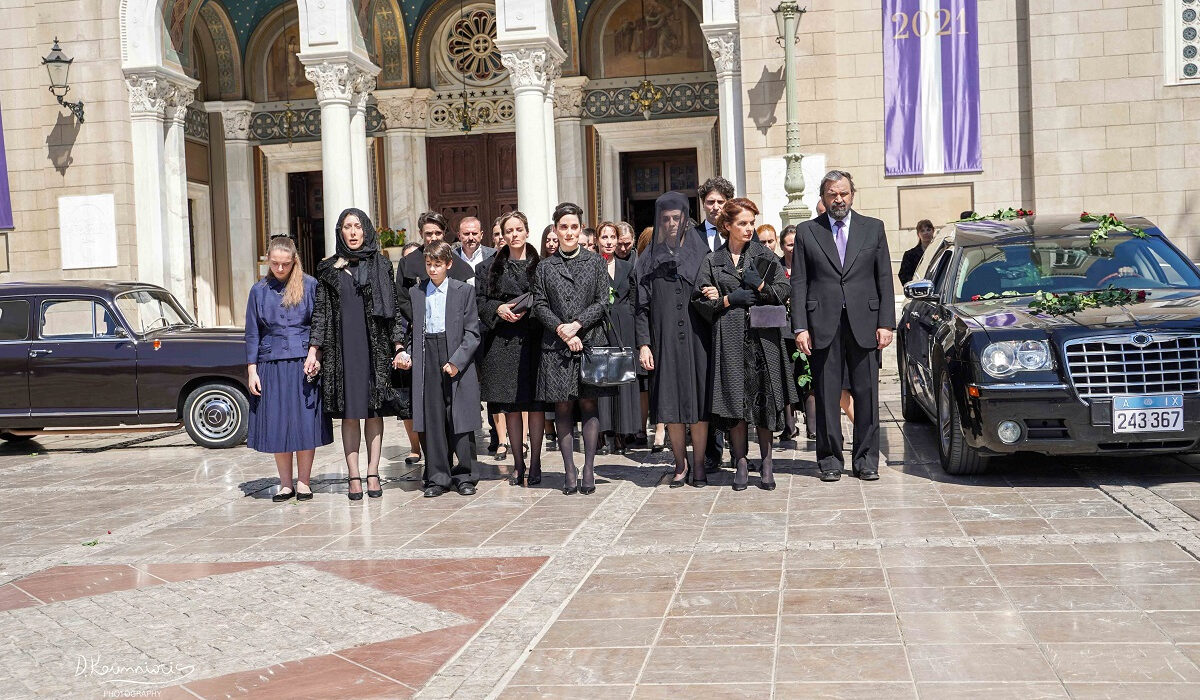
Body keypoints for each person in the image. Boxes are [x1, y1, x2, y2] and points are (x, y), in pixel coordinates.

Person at [791, 170, 896, 482]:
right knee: (825, 395)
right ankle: (830, 460)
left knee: (866, 395)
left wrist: (886, 323)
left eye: (843, 193)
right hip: (822, 323)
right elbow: (799, 282)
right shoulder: (808, 231)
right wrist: (800, 327)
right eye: (832, 194)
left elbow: (884, 280)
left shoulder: (873, 228)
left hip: (865, 323)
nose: (838, 199)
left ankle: (865, 460)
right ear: (823, 197)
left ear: (853, 194)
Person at [695, 198, 797, 491]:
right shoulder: (713, 260)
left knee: (764, 404)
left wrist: (761, 287)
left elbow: (783, 291)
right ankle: (740, 460)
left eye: (752, 222)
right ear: (727, 226)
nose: (749, 228)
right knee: (735, 405)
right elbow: (700, 299)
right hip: (729, 339)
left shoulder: (763, 255)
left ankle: (766, 462)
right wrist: (726, 300)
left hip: (763, 340)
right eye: (742, 223)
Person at [309, 208, 400, 501]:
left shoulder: (382, 265)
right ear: (340, 232)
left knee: (374, 411)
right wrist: (315, 351)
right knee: (350, 413)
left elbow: (394, 310)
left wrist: (398, 345)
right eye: (347, 227)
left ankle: (373, 472)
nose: (352, 232)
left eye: (357, 226)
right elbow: (320, 313)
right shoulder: (328, 269)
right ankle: (353, 475)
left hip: (375, 347)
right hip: (342, 349)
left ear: (366, 230)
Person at [532, 202, 615, 495]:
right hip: (556, 346)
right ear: (555, 230)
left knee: (589, 404)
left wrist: (577, 325)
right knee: (563, 407)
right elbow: (539, 304)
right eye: (563, 227)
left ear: (581, 230)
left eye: (574, 227)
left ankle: (589, 467)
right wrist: (561, 330)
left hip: (590, 341)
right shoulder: (545, 266)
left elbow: (603, 301)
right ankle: (569, 470)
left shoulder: (595, 262)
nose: (568, 232)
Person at [246, 236, 332, 502]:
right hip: (270, 363)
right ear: (267, 260)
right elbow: (252, 333)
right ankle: (285, 484)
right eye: (275, 264)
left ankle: (304, 482)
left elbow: (320, 323)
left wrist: (314, 353)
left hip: (304, 362)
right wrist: (252, 370)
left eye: (285, 264)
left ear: (294, 261)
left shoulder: (310, 285)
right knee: (278, 423)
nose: (280, 269)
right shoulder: (258, 291)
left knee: (305, 423)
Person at [635, 191, 712, 487]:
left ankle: (701, 465)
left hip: (697, 341)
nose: (670, 224)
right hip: (664, 342)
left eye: (676, 218)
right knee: (672, 406)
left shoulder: (702, 253)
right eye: (665, 219)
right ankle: (680, 464)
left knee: (698, 406)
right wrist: (644, 344)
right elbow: (640, 308)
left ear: (685, 220)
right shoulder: (647, 260)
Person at [395, 242, 482, 498]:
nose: (432, 270)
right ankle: (437, 476)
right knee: (433, 417)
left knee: (459, 415)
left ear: (448, 265)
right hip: (426, 356)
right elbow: (412, 329)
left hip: (455, 353)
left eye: (438, 265)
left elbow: (472, 333)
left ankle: (465, 474)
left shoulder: (463, 291)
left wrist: (457, 361)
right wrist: (407, 353)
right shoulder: (417, 292)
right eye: (429, 265)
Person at [476, 211, 546, 486]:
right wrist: (498, 308)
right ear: (502, 235)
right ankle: (518, 463)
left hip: (534, 341)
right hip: (503, 344)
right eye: (509, 231)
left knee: (537, 406)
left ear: (527, 232)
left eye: (519, 229)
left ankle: (537, 463)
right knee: (513, 407)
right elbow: (479, 302)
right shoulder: (486, 268)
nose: (514, 235)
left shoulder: (542, 266)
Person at [696, 176, 734, 471]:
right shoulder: (691, 237)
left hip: (735, 323)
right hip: (703, 325)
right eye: (711, 202)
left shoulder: (745, 234)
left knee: (734, 385)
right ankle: (711, 451)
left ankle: (739, 448)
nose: (716, 207)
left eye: (721, 202)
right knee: (709, 388)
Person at [596, 221, 640, 454]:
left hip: (624, 325)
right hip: (601, 326)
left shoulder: (626, 266)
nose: (610, 241)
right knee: (604, 379)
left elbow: (634, 296)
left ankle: (624, 432)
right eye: (605, 237)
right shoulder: (592, 265)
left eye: (612, 237)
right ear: (597, 240)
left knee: (623, 379)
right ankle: (604, 433)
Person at [454, 216, 496, 283]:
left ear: (481, 235)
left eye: (474, 233)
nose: (471, 238)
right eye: (466, 234)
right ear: (459, 236)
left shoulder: (493, 255)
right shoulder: (452, 257)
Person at [898, 218, 935, 285]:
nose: (926, 233)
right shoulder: (909, 255)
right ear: (918, 234)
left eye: (928, 230)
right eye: (922, 231)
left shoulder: (941, 251)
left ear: (933, 231)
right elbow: (903, 275)